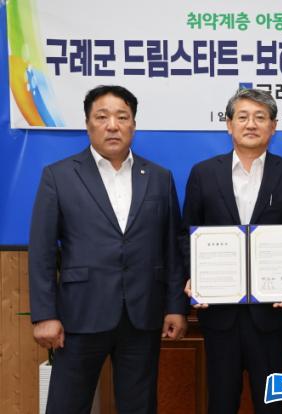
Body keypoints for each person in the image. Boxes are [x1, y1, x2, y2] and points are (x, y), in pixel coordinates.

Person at [29, 85, 188, 413]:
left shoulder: (159, 177)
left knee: (139, 406)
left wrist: (175, 306)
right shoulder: (58, 176)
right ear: (88, 124)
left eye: (122, 117)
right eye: (102, 117)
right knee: (66, 405)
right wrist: (45, 315)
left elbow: (171, 248)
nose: (112, 125)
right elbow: (42, 251)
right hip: (80, 315)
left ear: (134, 124)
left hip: (141, 315)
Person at [181, 88, 282, 414]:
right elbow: (186, 235)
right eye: (242, 117)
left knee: (272, 403)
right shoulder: (203, 174)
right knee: (221, 402)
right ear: (229, 125)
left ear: (273, 126)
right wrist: (193, 276)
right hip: (219, 311)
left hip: (271, 313)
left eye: (260, 117)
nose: (251, 124)